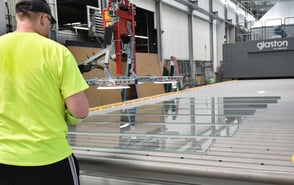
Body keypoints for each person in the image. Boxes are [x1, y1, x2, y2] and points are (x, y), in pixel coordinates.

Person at [0, 0, 89, 185]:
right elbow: (79, 110)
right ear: (43, 18)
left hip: (4, 158)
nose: (49, 27)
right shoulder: (57, 52)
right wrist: (68, 116)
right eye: (50, 23)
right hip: (50, 157)